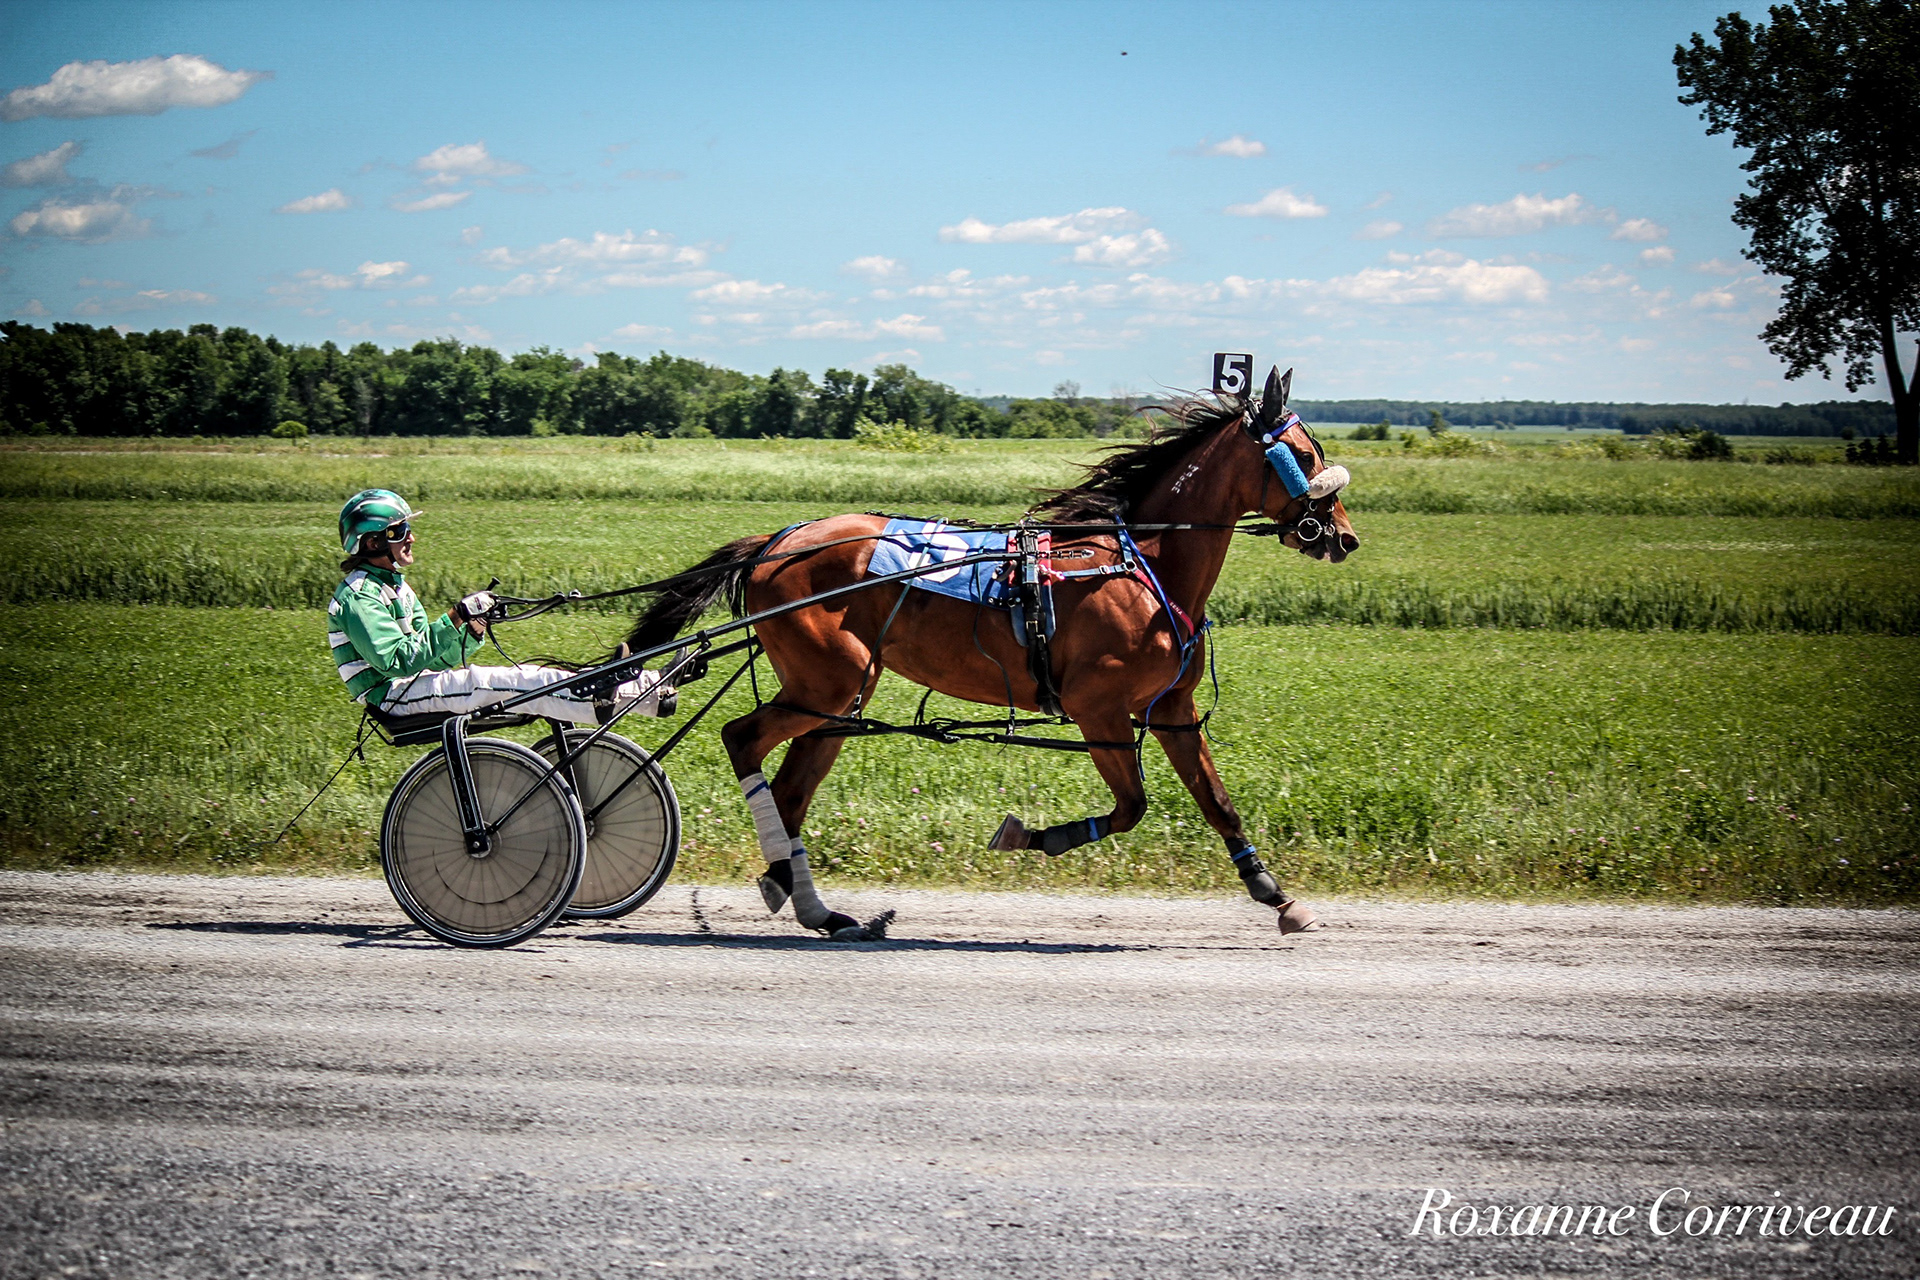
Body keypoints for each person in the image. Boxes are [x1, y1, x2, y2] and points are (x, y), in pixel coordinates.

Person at [327, 489, 671, 723]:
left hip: (411, 685)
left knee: (526, 676)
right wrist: (456, 615)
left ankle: (651, 688)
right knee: (486, 682)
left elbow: (432, 658)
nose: (411, 536)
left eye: (408, 528)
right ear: (372, 542)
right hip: (390, 696)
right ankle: (602, 700)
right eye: (399, 530)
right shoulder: (359, 596)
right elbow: (398, 662)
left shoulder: (393, 586)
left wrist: (472, 630)